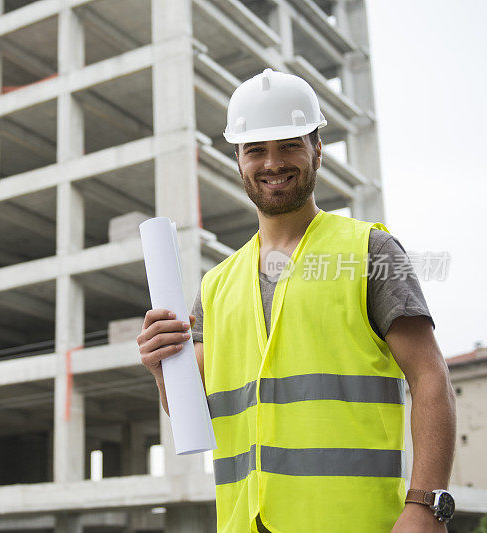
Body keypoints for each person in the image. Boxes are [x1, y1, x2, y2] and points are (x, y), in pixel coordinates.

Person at [137, 69, 456, 532]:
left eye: (289, 144)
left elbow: (432, 379)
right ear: (239, 160)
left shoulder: (369, 251)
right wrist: (162, 369)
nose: (272, 163)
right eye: (256, 150)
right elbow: (196, 410)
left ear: (318, 150)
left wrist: (426, 505)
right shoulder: (216, 285)